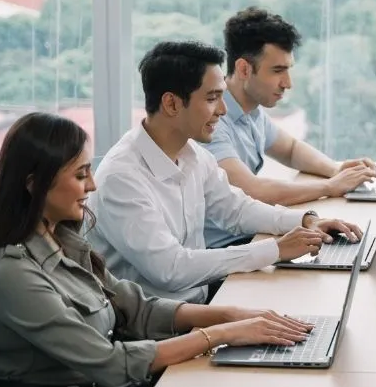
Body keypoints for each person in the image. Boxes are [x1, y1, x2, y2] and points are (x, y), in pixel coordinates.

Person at [0, 112, 316, 387]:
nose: (91, 185)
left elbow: (137, 308)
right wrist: (221, 336)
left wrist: (231, 314)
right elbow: (109, 363)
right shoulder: (14, 274)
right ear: (33, 185)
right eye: (80, 175)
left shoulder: (64, 242)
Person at [89, 40, 361, 304]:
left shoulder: (192, 154)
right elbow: (171, 270)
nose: (222, 110)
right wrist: (275, 250)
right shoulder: (121, 178)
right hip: (157, 330)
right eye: (212, 98)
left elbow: (236, 210)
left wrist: (304, 221)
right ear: (171, 104)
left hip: (199, 299)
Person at [203, 7, 376, 248]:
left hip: (251, 238)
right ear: (244, 69)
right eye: (278, 71)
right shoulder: (211, 121)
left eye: (288, 70)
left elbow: (291, 149)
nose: (287, 83)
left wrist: (336, 170)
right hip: (224, 253)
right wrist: (330, 187)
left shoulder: (251, 110)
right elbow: (252, 191)